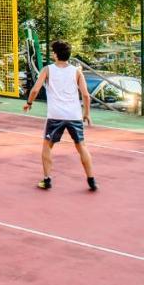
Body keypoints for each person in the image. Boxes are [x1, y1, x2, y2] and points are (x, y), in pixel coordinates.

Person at [23, 40, 98, 192]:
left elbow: (35, 89)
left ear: (56, 54)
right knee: (81, 147)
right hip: (74, 115)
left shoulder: (48, 69)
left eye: (53, 51)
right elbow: (85, 95)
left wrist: (29, 103)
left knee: (47, 147)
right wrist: (87, 113)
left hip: (55, 115)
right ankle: (91, 180)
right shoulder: (76, 71)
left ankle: (47, 180)